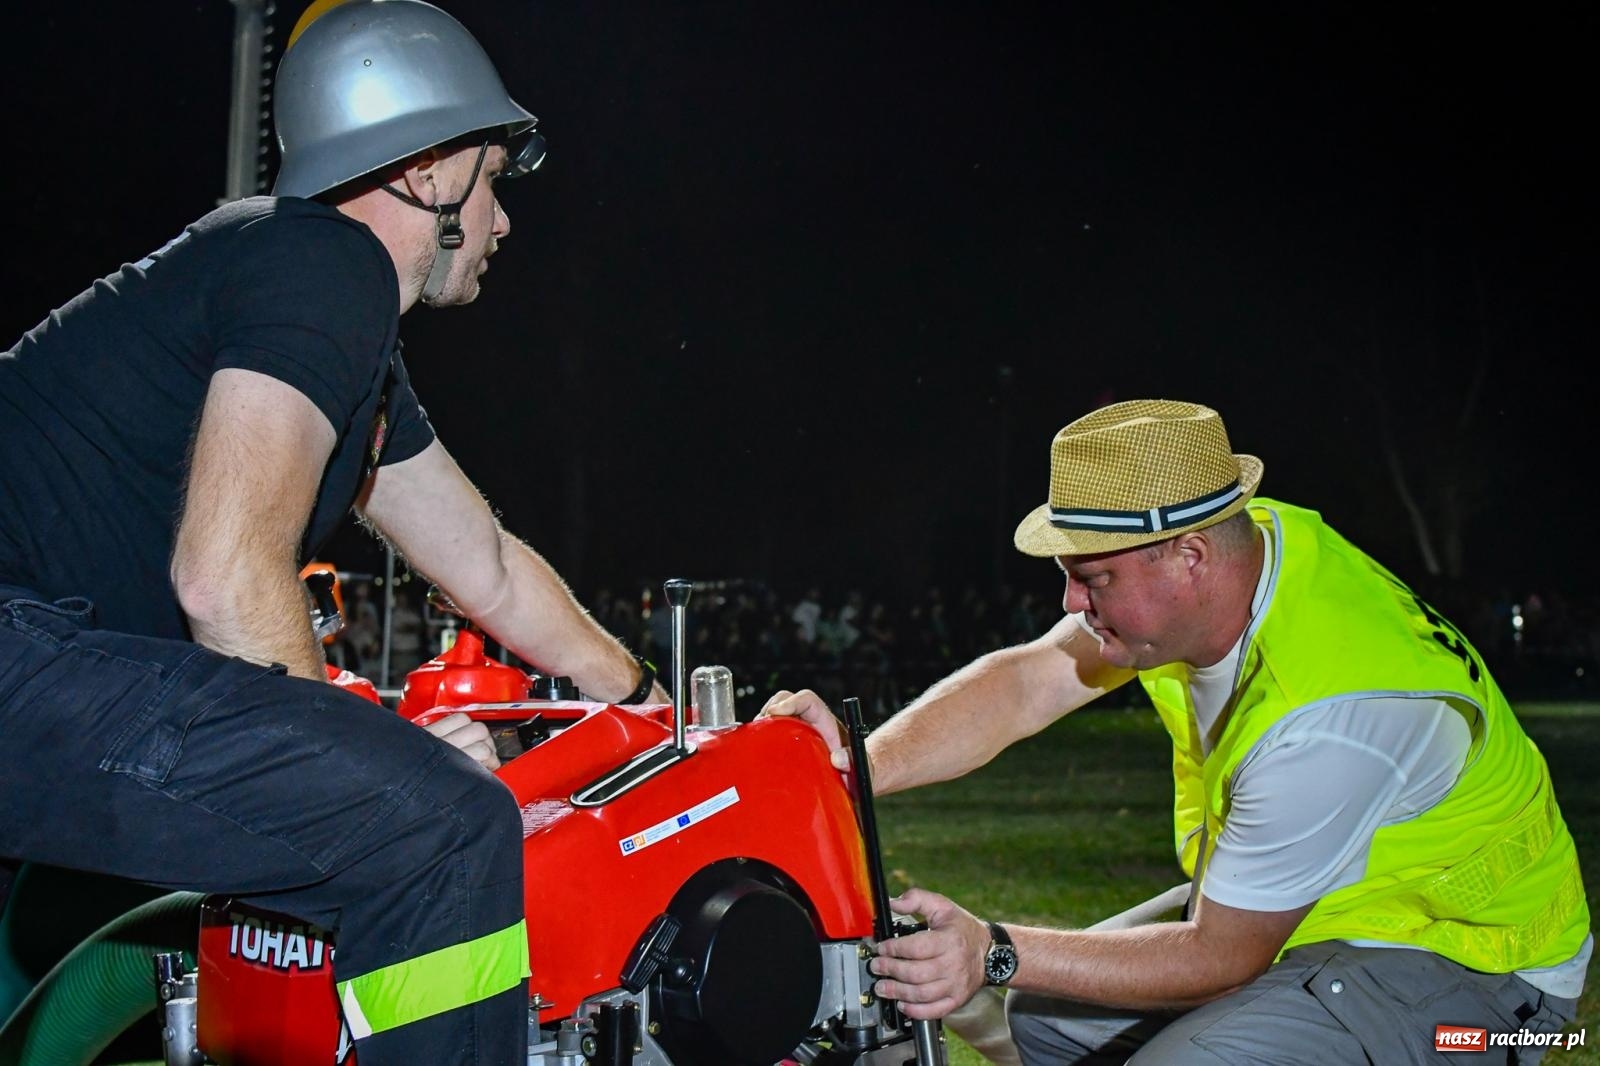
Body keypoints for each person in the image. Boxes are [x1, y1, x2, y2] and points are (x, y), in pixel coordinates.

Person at [0, 2, 664, 1063]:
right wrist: (366, 774)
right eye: (494, 179)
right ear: (430, 170)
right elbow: (222, 573)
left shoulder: (319, 315)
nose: (503, 221)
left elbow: (484, 564)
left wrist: (645, 700)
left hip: (31, 661)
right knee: (439, 825)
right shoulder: (327, 267)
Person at [765, 399, 1591, 1064]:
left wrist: (993, 949)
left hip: (1488, 982)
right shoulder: (1245, 551)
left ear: (1190, 557)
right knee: (1047, 1019)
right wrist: (849, 763)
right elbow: (1030, 680)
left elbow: (1218, 956)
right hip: (1345, 908)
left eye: (1091, 579)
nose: (1069, 605)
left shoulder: (1334, 715)